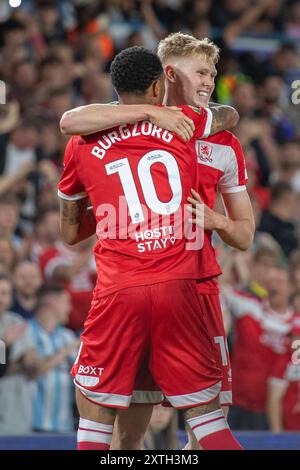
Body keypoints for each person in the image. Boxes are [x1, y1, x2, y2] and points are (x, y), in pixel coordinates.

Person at [60, 33, 254, 450]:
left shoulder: (90, 138)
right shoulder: (182, 128)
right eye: (202, 72)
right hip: (177, 292)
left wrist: (215, 219)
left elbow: (245, 233)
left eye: (214, 73)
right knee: (135, 437)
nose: (210, 81)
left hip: (183, 290)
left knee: (114, 419)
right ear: (164, 77)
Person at [28, 283, 80, 433]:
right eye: (66, 302)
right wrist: (66, 351)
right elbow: (34, 371)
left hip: (65, 426)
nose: (69, 308)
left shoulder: (67, 336)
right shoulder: (27, 331)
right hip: (34, 426)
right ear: (53, 302)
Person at [0, 273, 37, 435]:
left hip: (19, 405)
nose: (0, 298)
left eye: (4, 293)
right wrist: (5, 343)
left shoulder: (16, 321)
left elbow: (31, 365)